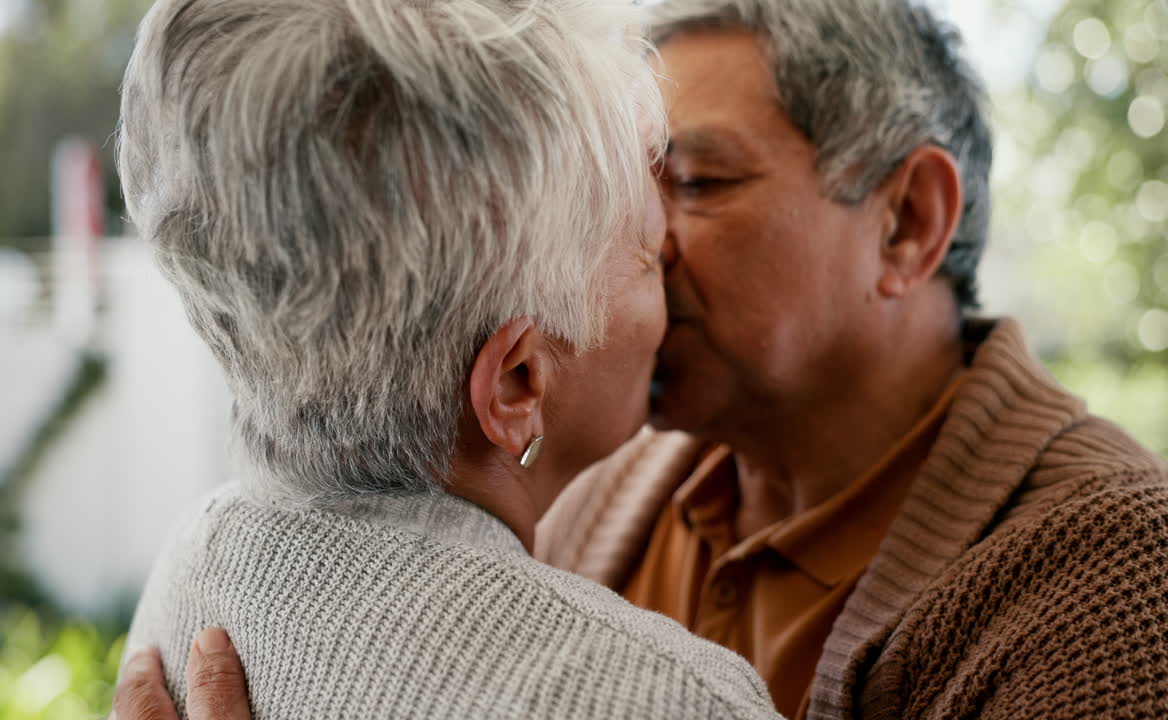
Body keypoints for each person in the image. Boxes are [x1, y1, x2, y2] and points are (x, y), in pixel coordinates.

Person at [116, 0, 1168, 718]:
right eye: (621, 180)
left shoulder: (1113, 583)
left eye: (694, 182)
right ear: (516, 384)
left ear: (904, 221)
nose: (638, 238)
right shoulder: (584, 482)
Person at [113, 0, 783, 717]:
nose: (677, 255)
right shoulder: (670, 699)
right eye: (647, 252)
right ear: (519, 384)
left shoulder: (193, 564)